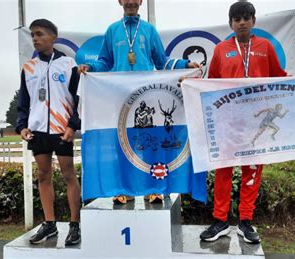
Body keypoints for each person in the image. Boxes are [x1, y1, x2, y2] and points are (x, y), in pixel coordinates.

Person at [78, 0, 200, 204]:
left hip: (146, 95)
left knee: (148, 141)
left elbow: (162, 61)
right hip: (120, 96)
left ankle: (153, 188)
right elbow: (105, 62)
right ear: (119, 1)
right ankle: (124, 189)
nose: (131, 2)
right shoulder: (113, 30)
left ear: (141, 1)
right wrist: (90, 67)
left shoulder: (149, 30)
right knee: (122, 142)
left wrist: (186, 64)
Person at [199, 2, 287, 244]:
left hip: (256, 121)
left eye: (246, 17)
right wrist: (187, 83)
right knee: (223, 170)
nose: (242, 22)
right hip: (229, 123)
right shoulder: (221, 49)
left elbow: (281, 77)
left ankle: (245, 222)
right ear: (231, 23)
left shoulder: (265, 46)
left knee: (252, 171)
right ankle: (220, 221)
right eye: (237, 19)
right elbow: (211, 84)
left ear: (254, 21)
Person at [16, 19, 81, 246]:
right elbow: (23, 103)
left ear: (53, 37)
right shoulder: (29, 68)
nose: (34, 38)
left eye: (39, 34)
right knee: (43, 175)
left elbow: (79, 99)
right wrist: (22, 126)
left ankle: (75, 225)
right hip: (37, 131)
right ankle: (50, 224)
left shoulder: (69, 64)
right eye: (32, 34)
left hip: (62, 130)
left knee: (68, 176)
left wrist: (73, 125)